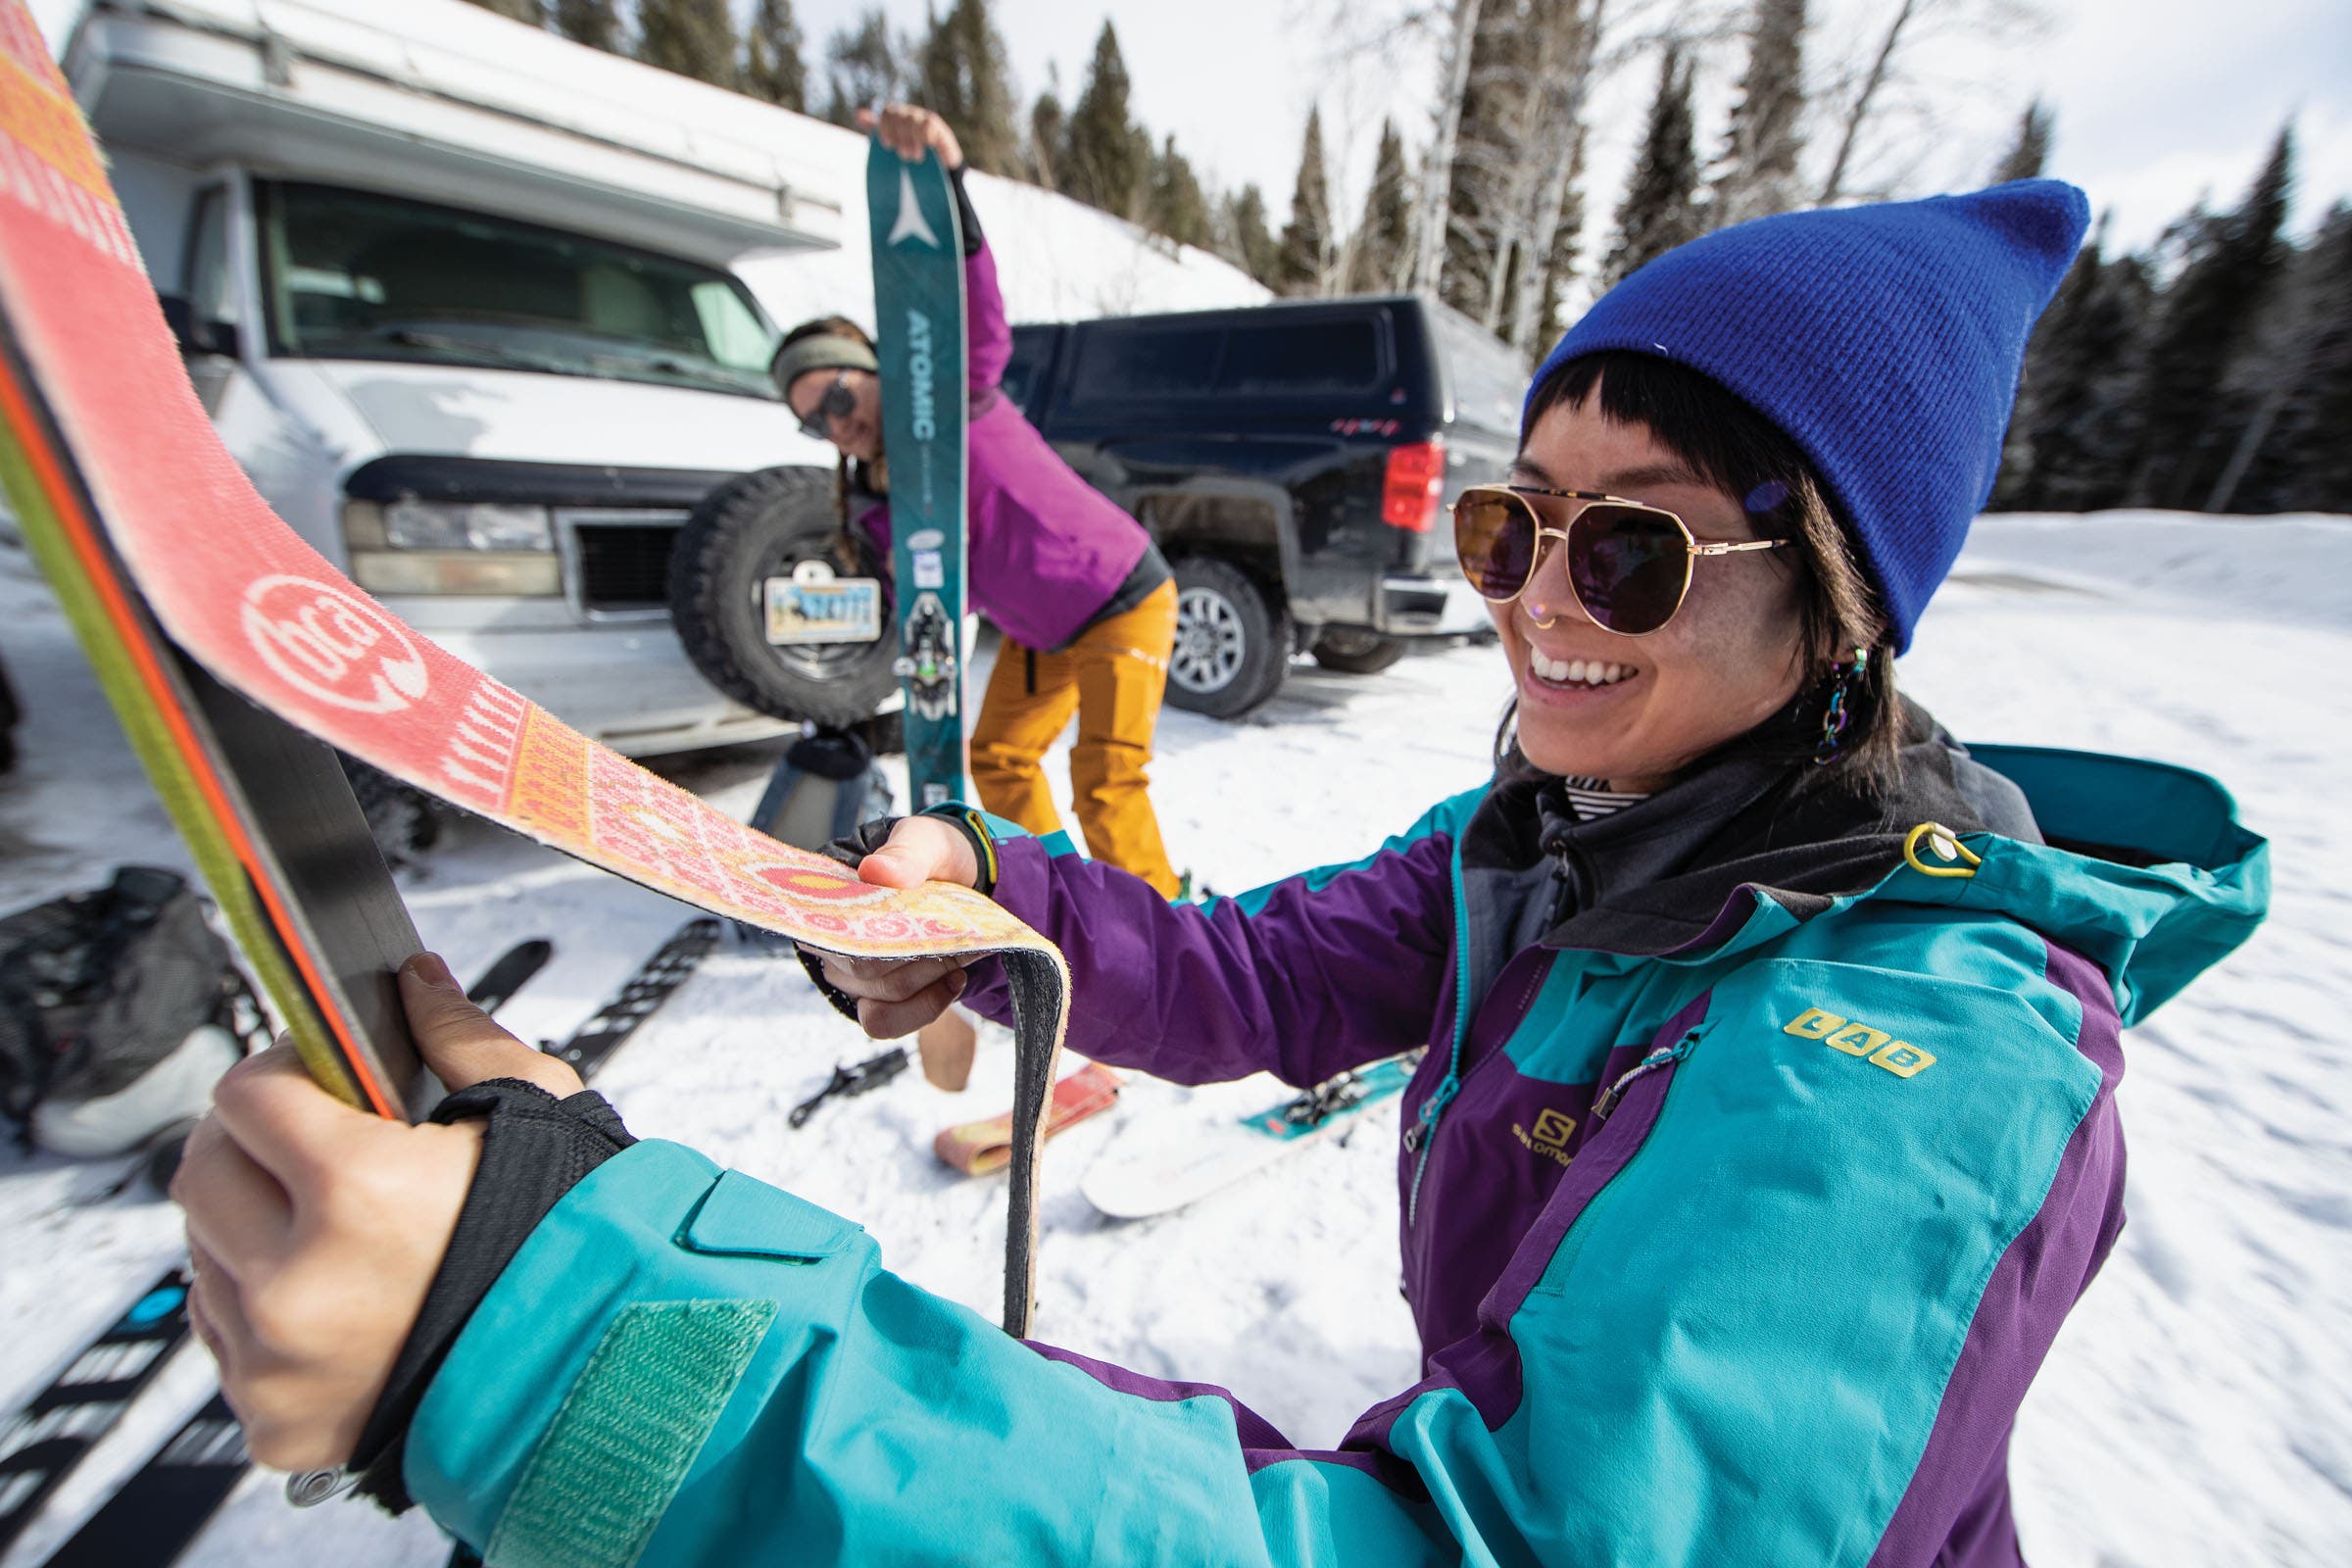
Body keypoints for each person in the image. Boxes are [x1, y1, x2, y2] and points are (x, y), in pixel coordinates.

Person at [172, 179, 2268, 1563]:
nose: (1542, 594)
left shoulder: (1918, 1053)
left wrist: (584, 1334)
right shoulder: (1550, 839)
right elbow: (1262, 975)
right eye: (1511, 523)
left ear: (1841, 615)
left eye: (1631, 543)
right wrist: (982, 903)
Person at [776, 104, 1184, 898]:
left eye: (832, 394)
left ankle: (1172, 934)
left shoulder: (950, 390)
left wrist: (948, 184)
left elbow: (971, 313)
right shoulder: (878, 501)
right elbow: (928, 599)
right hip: (1043, 630)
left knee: (1106, 779)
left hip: (1120, 594)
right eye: (810, 422)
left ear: (867, 362)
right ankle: (1060, 898)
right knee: (997, 758)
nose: (834, 424)